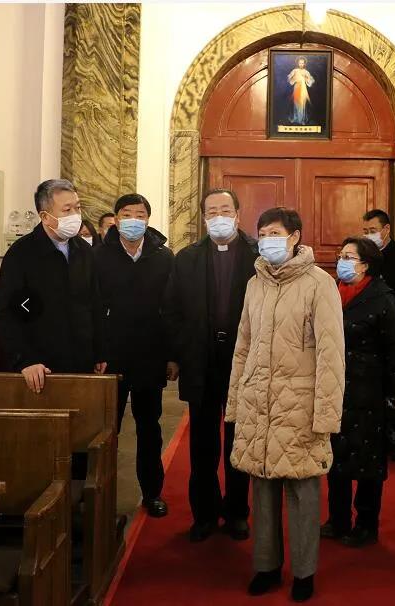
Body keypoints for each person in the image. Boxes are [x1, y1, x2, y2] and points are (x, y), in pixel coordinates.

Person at [226, 208, 345, 602]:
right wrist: (236, 403)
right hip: (258, 401)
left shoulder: (319, 284)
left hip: (300, 405)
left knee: (302, 492)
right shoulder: (254, 283)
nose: (267, 240)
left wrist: (326, 415)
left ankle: (304, 572)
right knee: (261, 489)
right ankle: (266, 566)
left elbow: (331, 354)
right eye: (262, 233)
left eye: (275, 233)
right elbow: (243, 346)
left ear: (295, 237)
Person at [162, 188, 258, 542]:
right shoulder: (187, 257)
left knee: (238, 440)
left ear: (237, 214)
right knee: (202, 444)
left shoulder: (257, 255)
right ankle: (203, 514)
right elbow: (171, 310)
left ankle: (237, 512)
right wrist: (175, 355)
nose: (219, 216)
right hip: (200, 359)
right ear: (203, 217)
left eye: (225, 210)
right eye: (212, 211)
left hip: (243, 362)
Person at [321, 237, 395, 548]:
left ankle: (366, 524)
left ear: (365, 264)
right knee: (335, 455)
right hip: (334, 386)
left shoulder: (383, 297)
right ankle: (338, 518)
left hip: (369, 390)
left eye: (349, 257)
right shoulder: (331, 290)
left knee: (368, 459)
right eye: (341, 255)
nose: (341, 261)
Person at [94, 193, 174, 518]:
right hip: (110, 357)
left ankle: (152, 492)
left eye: (140, 215)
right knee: (105, 430)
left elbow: (172, 309)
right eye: (126, 214)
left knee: (149, 427)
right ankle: (100, 496)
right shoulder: (98, 256)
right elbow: (92, 309)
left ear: (147, 220)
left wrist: (172, 355)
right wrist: (96, 352)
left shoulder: (164, 257)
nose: (133, 220)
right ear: (116, 219)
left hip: (149, 355)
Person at [0, 179, 106, 393]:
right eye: (67, 210)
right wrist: (25, 360)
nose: (75, 215)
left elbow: (94, 303)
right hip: (40, 366)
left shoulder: (84, 251)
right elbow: (8, 314)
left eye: (77, 208)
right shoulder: (21, 254)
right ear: (45, 216)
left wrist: (100, 351)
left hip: (82, 362)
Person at [362, 209, 395, 291]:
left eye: (373, 231)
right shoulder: (362, 256)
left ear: (387, 228)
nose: (368, 236)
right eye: (366, 232)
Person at [288, 56, 314, 125]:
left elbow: (310, 80)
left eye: (302, 63)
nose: (301, 64)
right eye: (300, 63)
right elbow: (290, 78)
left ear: (304, 64)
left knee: (302, 103)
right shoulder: (295, 71)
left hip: (303, 88)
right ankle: (296, 118)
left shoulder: (306, 72)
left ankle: (302, 120)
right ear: (298, 63)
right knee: (296, 103)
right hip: (297, 87)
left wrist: (305, 78)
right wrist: (295, 79)